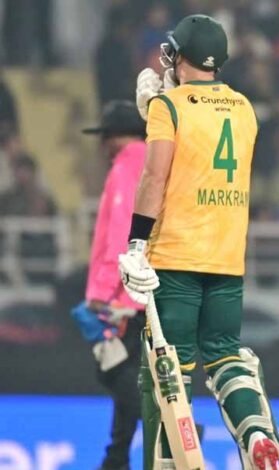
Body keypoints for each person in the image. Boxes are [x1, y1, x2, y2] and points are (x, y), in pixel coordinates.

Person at [119, 14, 279, 470]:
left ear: (181, 56)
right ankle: (256, 433)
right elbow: (204, 148)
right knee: (226, 356)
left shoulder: (169, 107)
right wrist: (158, 108)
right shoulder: (244, 108)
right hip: (227, 259)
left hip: (175, 256)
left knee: (170, 374)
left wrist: (136, 244)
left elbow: (156, 176)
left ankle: (171, 464)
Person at [71, 100, 147, 470]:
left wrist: (101, 294)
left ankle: (168, 426)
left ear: (116, 137)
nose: (101, 146)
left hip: (122, 296)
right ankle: (115, 458)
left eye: (104, 137)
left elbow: (120, 233)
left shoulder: (126, 167)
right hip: (147, 288)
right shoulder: (153, 163)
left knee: (113, 370)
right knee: (130, 370)